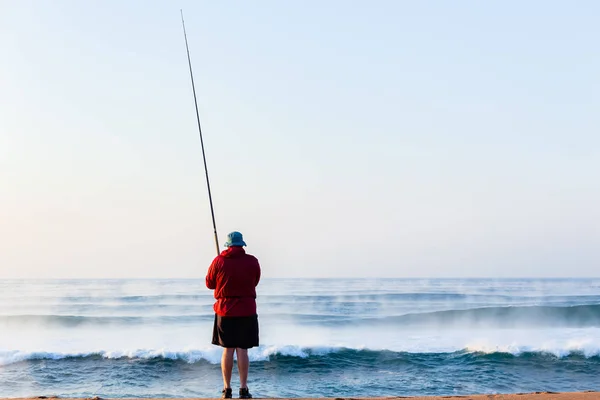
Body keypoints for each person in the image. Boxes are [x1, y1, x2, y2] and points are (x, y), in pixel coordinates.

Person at [206, 231, 261, 399]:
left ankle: (227, 389)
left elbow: (209, 284)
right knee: (243, 350)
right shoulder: (252, 261)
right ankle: (243, 389)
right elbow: (255, 281)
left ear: (228, 246)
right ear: (242, 245)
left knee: (228, 350)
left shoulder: (219, 261)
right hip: (246, 310)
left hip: (225, 310)